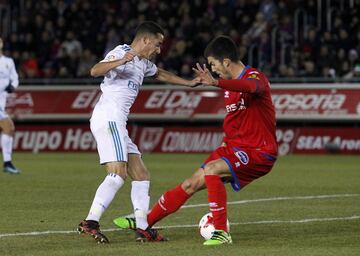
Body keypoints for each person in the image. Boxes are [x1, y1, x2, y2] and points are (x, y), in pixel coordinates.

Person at [114, 35, 278, 246]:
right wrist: (226, 140)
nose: (213, 69)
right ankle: (144, 221)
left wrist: (216, 83)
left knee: (212, 170)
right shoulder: (230, 88)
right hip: (234, 147)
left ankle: (221, 232)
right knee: (191, 183)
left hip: (259, 151)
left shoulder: (255, 77)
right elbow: (236, 119)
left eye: (213, 64)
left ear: (226, 62)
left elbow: (253, 88)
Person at [77, 21, 200, 244]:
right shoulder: (122, 52)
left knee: (141, 175)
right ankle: (90, 222)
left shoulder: (143, 62)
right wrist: (120, 61)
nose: (159, 49)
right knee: (117, 174)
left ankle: (143, 228)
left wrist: (189, 83)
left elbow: (160, 73)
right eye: (157, 44)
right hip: (109, 118)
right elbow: (95, 70)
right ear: (145, 40)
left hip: (118, 123)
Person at [0, 37, 21, 174]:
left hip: (1, 103)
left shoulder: (8, 62)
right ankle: (7, 163)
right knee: (9, 126)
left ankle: (7, 163)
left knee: (8, 128)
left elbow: (15, 78)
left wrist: (12, 86)